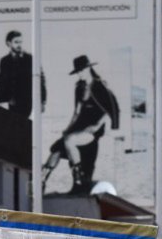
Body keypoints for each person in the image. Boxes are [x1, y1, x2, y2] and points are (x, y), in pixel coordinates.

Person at [43, 54, 120, 195]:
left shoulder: (100, 86)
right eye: (77, 71)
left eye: (81, 70)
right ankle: (41, 180)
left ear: (88, 68)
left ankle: (78, 176)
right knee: (57, 149)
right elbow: (77, 112)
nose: (80, 74)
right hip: (78, 128)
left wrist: (98, 125)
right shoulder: (79, 87)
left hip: (91, 131)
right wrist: (68, 128)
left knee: (69, 141)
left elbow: (111, 108)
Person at [0, 28, 43, 114]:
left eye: (20, 42)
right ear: (9, 43)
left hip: (27, 103)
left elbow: (40, 80)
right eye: (16, 42)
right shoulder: (4, 61)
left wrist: (42, 101)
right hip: (10, 103)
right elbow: (0, 81)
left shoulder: (30, 59)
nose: (19, 45)